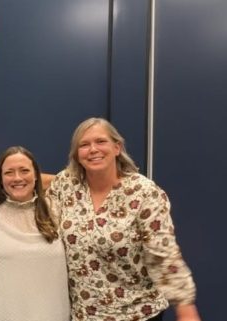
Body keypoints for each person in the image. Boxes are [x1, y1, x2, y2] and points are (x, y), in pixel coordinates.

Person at [47, 118, 200, 321]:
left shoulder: (144, 193)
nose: (93, 149)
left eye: (101, 141)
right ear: (77, 154)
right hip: (84, 316)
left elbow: (163, 254)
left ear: (117, 147)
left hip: (137, 314)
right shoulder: (66, 185)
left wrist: (185, 307)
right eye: (84, 145)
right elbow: (29, 180)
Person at [0, 146, 69, 321]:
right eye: (9, 173)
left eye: (24, 170)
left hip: (53, 314)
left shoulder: (58, 208)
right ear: (0, 178)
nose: (17, 178)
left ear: (36, 175)